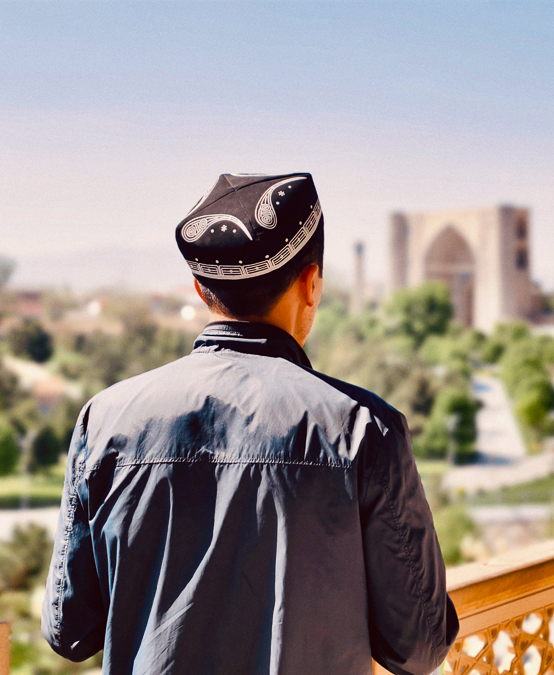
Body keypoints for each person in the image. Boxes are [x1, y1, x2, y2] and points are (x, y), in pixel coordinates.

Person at [42, 173, 459, 675]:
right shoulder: (364, 431)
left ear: (200, 289)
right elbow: (420, 647)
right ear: (311, 284)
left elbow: (70, 631)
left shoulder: (105, 421)